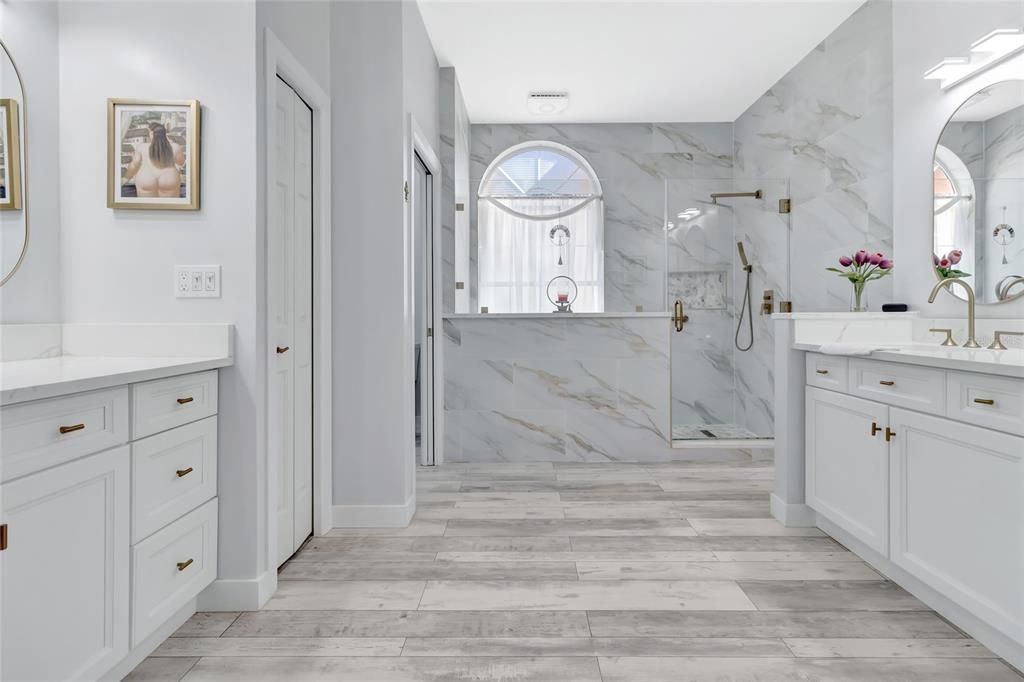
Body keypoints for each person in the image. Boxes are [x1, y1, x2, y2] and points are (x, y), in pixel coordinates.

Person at [124, 121, 185, 198]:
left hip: (146, 177)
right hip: (169, 178)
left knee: (146, 204)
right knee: (169, 204)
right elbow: (180, 162)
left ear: (151, 133)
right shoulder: (175, 146)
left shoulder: (142, 147)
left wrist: (126, 178)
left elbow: (134, 165)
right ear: (164, 134)